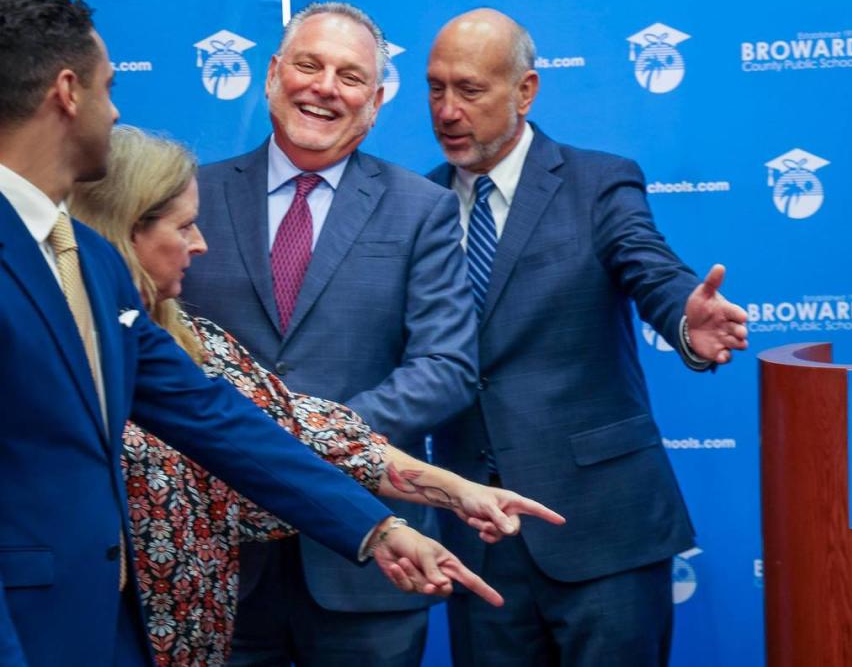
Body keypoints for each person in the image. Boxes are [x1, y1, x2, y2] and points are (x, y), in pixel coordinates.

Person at [0, 0, 496, 664]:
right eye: (108, 86)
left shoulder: (84, 258)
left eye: (349, 75)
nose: (116, 111)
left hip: (116, 627)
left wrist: (375, 530)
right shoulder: (93, 243)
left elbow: (216, 415)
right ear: (67, 93)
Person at [68, 124, 563, 666]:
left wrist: (444, 495)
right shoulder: (63, 338)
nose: (202, 243)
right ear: (127, 230)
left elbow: (289, 427)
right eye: (185, 226)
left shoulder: (186, 340)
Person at [425, 8, 750, 667]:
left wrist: (686, 322)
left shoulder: (599, 182)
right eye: (436, 88)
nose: (448, 111)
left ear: (525, 91)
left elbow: (648, 266)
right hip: (480, 535)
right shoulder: (414, 203)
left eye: (470, 89)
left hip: (603, 529)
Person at [180, 2, 478, 666]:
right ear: (272, 74)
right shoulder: (189, 197)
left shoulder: (422, 210)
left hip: (366, 560)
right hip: (222, 556)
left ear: (374, 103)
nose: (323, 87)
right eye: (309, 65)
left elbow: (446, 365)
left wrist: (313, 435)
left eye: (349, 77)